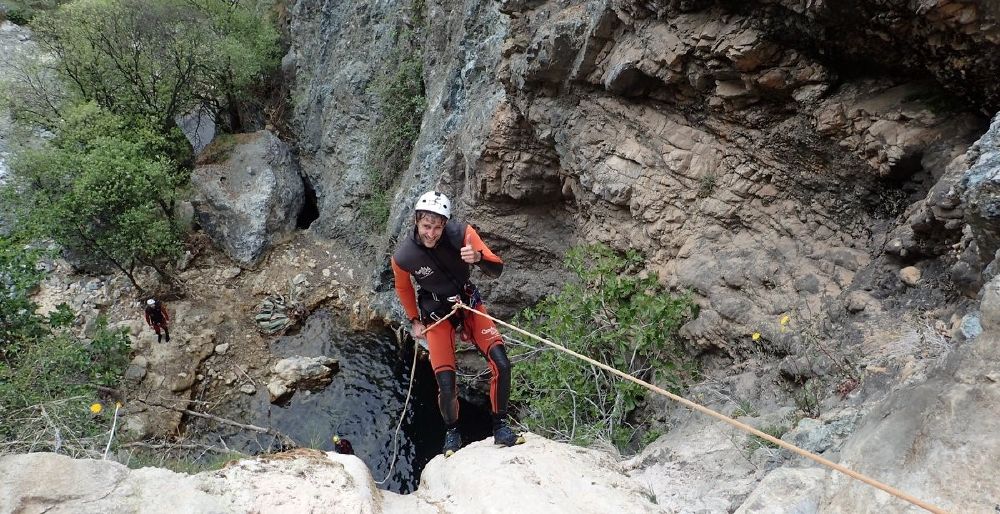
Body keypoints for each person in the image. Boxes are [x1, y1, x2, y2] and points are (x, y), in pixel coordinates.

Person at [391, 191, 519, 455]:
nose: (432, 233)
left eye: (438, 227)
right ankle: (452, 432)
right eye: (427, 226)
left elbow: (497, 268)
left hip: (468, 302)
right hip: (436, 312)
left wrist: (479, 258)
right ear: (416, 221)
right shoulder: (404, 256)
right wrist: (414, 320)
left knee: (501, 363)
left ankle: (501, 427)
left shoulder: (462, 234)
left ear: (445, 224)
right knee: (447, 383)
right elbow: (403, 288)